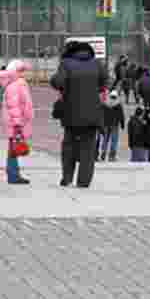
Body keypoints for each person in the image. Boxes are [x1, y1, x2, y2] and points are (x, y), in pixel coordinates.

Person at [51, 40, 108, 188]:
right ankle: (83, 182)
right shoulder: (97, 64)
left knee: (69, 146)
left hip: (71, 114)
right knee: (88, 149)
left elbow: (58, 82)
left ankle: (67, 178)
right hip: (92, 115)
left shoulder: (66, 63)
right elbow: (105, 81)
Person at [0, 60, 33, 185]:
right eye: (20, 71)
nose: (23, 74)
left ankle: (14, 174)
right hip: (16, 124)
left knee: (13, 149)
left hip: (15, 123)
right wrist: (18, 124)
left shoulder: (15, 84)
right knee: (13, 150)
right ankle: (13, 175)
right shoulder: (16, 86)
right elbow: (14, 107)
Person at [99, 90, 125, 162]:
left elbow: (101, 115)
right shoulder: (118, 105)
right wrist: (122, 124)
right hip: (114, 125)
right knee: (114, 140)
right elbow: (121, 115)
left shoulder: (105, 104)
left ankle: (103, 154)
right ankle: (112, 156)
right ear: (116, 96)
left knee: (105, 140)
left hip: (106, 125)